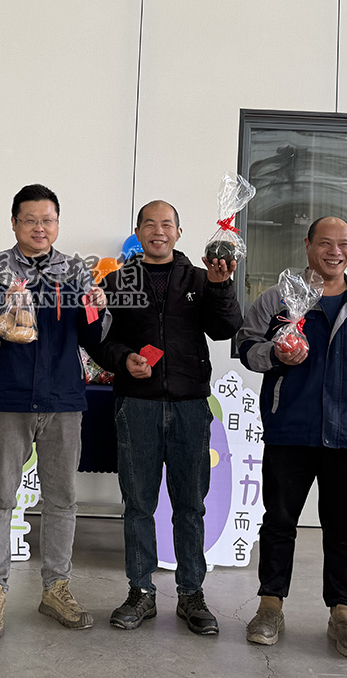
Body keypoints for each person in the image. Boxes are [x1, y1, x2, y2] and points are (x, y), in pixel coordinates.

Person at [235, 216, 347, 659]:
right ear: (308, 245)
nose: (335, 252)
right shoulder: (278, 299)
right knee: (278, 522)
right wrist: (276, 353)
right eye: (326, 243)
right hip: (290, 431)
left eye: (344, 244)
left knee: (345, 530)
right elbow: (246, 347)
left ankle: (343, 614)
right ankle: (270, 606)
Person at [93, 200, 243, 635]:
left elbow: (225, 328)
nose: (158, 231)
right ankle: (140, 592)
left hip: (189, 406)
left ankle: (191, 594)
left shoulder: (201, 278)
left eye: (166, 224)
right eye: (149, 224)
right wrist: (124, 359)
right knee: (138, 504)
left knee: (190, 505)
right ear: (137, 231)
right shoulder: (117, 282)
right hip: (136, 404)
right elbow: (99, 339)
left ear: (179, 232)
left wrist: (220, 286)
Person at [0, 184, 109, 639]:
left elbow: (94, 336)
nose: (39, 228)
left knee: (62, 498)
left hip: (63, 401)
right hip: (6, 399)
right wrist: (3, 317)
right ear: (14, 223)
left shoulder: (77, 272)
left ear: (57, 224)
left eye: (47, 220)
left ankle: (56, 588)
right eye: (30, 220)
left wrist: (98, 309)